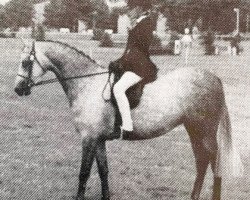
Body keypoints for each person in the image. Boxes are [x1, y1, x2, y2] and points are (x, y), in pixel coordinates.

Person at [112, 0, 158, 136]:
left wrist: (124, 61)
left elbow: (141, 49)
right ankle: (115, 122)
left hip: (141, 66)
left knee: (118, 89)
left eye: (131, 8)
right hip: (132, 65)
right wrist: (118, 61)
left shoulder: (147, 23)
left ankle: (127, 126)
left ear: (139, 8)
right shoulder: (136, 24)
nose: (129, 11)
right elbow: (128, 50)